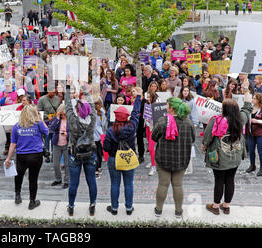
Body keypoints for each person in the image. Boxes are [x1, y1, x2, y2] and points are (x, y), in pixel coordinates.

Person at [202, 84, 253, 215]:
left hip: (219, 157)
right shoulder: (240, 119)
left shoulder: (216, 120)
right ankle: (226, 206)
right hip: (235, 156)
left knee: (219, 181)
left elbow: (207, 138)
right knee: (230, 180)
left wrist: (204, 146)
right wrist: (246, 90)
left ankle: (215, 206)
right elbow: (248, 107)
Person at [151, 97, 195, 218]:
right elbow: (193, 140)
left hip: (163, 158)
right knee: (178, 185)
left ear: (171, 108)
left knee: (163, 184)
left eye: (167, 105)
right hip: (181, 159)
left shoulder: (162, 121)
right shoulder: (188, 123)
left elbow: (154, 137)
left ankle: (158, 210)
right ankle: (178, 211)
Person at [103, 87, 142, 215]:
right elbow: (136, 113)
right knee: (128, 184)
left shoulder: (110, 131)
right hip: (129, 157)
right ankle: (129, 208)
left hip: (114, 159)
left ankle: (114, 208)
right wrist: (137, 98)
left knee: (114, 184)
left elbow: (106, 148)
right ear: (126, 116)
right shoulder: (132, 126)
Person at [4, 105, 48, 210]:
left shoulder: (16, 126)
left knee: (18, 175)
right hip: (36, 155)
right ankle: (32, 202)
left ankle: (17, 195)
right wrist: (40, 119)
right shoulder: (38, 124)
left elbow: (13, 144)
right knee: (33, 179)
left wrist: (8, 158)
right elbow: (47, 132)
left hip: (22, 156)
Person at [65, 80, 97, 217]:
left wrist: (68, 87)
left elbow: (67, 105)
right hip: (90, 153)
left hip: (75, 154)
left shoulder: (73, 120)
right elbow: (91, 102)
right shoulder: (93, 118)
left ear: (77, 111)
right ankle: (92, 204)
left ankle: (71, 206)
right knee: (91, 181)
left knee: (74, 183)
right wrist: (83, 87)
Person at [49, 104, 70, 189]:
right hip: (57, 144)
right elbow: (52, 129)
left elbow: (74, 132)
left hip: (67, 144)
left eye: (64, 114)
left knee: (67, 164)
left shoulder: (70, 120)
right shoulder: (57, 119)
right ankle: (58, 179)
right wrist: (57, 118)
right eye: (61, 114)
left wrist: (67, 134)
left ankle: (67, 180)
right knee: (55, 164)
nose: (63, 116)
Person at [246, 93, 262, 176]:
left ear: (259, 100)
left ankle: (261, 168)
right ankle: (252, 165)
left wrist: (257, 121)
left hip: (260, 133)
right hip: (251, 132)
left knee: (260, 151)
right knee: (251, 150)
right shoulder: (250, 108)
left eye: (254, 98)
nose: (253, 100)